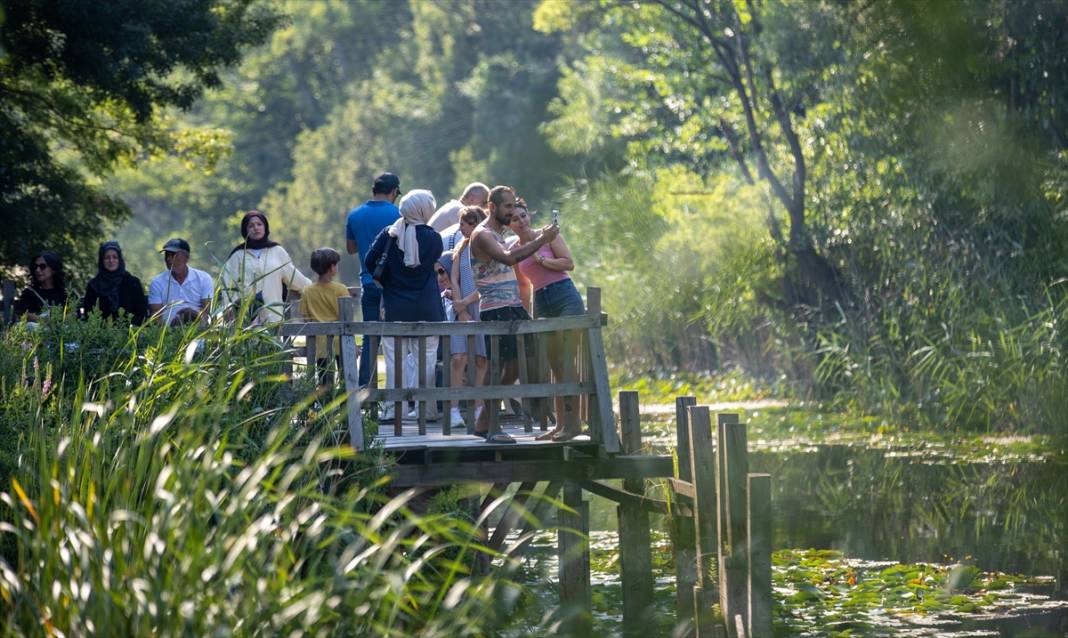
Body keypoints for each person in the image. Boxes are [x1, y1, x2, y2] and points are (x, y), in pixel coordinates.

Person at [468, 185, 558, 443]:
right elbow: (508, 259)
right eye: (507, 206)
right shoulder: (483, 234)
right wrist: (543, 240)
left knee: (522, 359)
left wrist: (537, 234)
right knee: (498, 366)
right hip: (496, 309)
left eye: (513, 206)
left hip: (512, 306)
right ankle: (492, 426)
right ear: (492, 207)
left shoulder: (499, 233)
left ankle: (485, 419)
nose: (511, 211)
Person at [364, 189, 444, 419]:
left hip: (394, 306)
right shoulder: (433, 238)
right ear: (424, 210)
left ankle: (392, 410)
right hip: (426, 307)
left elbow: (370, 261)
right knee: (426, 360)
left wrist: (390, 281)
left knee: (393, 360)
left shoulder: (390, 234)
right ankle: (424, 409)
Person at [510, 199, 585, 440]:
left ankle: (574, 425)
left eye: (523, 216)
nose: (520, 221)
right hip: (541, 299)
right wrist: (523, 310)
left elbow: (569, 263)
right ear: (509, 224)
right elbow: (523, 284)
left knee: (566, 361)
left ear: (528, 216)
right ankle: (560, 425)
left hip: (564, 295)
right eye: (514, 218)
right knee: (554, 364)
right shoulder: (514, 248)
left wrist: (541, 260)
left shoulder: (547, 234)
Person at [345, 172, 402, 386]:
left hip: (368, 283)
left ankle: (366, 390)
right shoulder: (398, 214)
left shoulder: (355, 215)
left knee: (371, 337)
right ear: (394, 191)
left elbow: (351, 249)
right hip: (394, 286)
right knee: (398, 338)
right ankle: (396, 392)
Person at [440, 205, 489, 427]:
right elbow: (455, 279)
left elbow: (487, 283)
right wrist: (460, 309)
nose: (460, 228)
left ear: (475, 223)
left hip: (481, 306)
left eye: (463, 223)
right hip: (461, 309)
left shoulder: (486, 248)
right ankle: (452, 410)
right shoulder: (459, 249)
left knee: (480, 359)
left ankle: (479, 406)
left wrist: (468, 303)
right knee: (458, 358)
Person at [220, 209, 312, 324]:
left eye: (259, 224)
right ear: (245, 230)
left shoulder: (277, 251)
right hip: (244, 319)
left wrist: (316, 289)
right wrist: (230, 306)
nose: (256, 228)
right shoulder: (237, 255)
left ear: (265, 227)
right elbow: (227, 285)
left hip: (272, 316)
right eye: (251, 226)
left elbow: (296, 279)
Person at [300, 248, 352, 389]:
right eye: (336, 265)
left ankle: (325, 408)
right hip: (340, 342)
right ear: (331, 267)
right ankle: (345, 409)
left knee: (324, 383)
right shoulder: (340, 289)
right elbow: (347, 318)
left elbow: (306, 318)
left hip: (319, 344)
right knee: (345, 381)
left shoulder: (307, 291)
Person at [147, 238, 213, 326]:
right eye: (167, 255)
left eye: (173, 255)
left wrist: (192, 319)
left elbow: (207, 311)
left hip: (197, 326)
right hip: (167, 330)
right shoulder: (157, 282)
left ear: (186, 257)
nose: (169, 259)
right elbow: (156, 315)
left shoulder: (204, 278)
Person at [81, 240, 148, 325]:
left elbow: (141, 312)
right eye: (107, 257)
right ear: (101, 260)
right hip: (100, 333)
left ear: (119, 259)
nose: (111, 260)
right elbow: (88, 314)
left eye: (114, 257)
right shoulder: (94, 285)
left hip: (129, 333)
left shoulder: (132, 283)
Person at [14, 251, 68, 322]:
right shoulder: (29, 294)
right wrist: (52, 321)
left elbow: (73, 316)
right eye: (35, 266)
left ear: (53, 269)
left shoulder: (66, 294)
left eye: (42, 266)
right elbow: (23, 314)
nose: (37, 270)